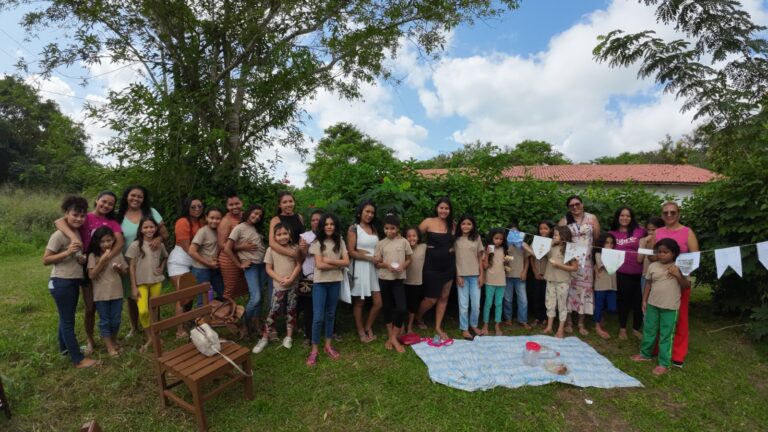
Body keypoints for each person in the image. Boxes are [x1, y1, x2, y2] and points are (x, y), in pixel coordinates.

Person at [55, 190, 124, 354]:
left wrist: (104, 259)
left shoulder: (112, 223)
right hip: (85, 263)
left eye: (110, 204)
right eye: (104, 201)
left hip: (103, 264)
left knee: (104, 304)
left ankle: (109, 338)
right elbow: (59, 221)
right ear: (97, 199)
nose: (106, 205)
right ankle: (90, 340)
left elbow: (119, 243)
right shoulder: (85, 216)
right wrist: (74, 238)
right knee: (90, 307)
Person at [44, 196, 99, 368]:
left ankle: (64, 350)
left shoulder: (76, 233)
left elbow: (73, 256)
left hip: (72, 281)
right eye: (75, 215)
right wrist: (67, 252)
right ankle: (78, 359)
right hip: (62, 282)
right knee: (68, 322)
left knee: (65, 318)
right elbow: (46, 259)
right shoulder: (58, 235)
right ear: (66, 214)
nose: (79, 219)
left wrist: (80, 259)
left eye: (82, 216)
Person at [651, 201, 699, 368]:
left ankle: (677, 353)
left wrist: (679, 270)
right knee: (657, 315)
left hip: (680, 280)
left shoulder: (687, 232)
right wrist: (662, 258)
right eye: (665, 213)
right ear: (662, 215)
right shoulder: (657, 232)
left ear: (678, 213)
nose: (669, 215)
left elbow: (695, 257)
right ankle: (657, 349)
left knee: (680, 318)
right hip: (660, 282)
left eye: (673, 212)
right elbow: (651, 256)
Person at [632, 238, 689, 376]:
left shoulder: (680, 266)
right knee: (649, 330)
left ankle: (663, 363)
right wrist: (644, 300)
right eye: (659, 252)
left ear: (674, 253)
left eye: (666, 252)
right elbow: (648, 284)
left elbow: (686, 286)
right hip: (653, 304)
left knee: (666, 335)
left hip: (670, 307)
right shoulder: (653, 266)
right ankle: (645, 354)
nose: (662, 254)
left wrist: (677, 276)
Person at [117, 185, 169, 337]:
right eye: (133, 195)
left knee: (154, 297)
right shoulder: (119, 215)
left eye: (140, 196)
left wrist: (158, 238)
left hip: (149, 262)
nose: (136, 199)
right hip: (129, 262)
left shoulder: (151, 212)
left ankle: (156, 326)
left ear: (144, 199)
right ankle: (134, 327)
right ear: (127, 196)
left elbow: (165, 234)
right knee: (132, 296)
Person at [306, 213, 350, 366]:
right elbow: (320, 265)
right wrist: (338, 263)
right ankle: (314, 349)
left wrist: (329, 260)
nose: (329, 227)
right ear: (322, 226)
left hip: (335, 282)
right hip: (320, 284)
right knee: (318, 317)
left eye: (332, 224)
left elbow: (347, 262)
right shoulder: (317, 242)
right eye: (326, 224)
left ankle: (328, 346)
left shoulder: (340, 241)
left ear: (335, 226)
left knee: (331, 314)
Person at [253, 223, 302, 354]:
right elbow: (268, 268)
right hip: (279, 286)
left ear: (290, 235)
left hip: (293, 285)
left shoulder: (295, 248)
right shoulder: (271, 250)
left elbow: (299, 265)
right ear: (274, 237)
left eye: (285, 234)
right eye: (279, 235)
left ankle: (289, 336)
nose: (282, 237)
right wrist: (280, 279)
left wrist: (291, 278)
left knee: (291, 310)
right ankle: (264, 337)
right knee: (273, 312)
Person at [558, 195, 600, 336]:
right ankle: (569, 322)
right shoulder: (565, 220)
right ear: (569, 208)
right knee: (569, 289)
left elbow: (597, 238)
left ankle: (581, 323)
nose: (575, 207)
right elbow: (559, 237)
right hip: (570, 259)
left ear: (582, 204)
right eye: (571, 205)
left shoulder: (592, 218)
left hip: (587, 262)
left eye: (577, 204)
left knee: (585, 291)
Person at [415, 197, 456, 341]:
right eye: (441, 208)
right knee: (431, 299)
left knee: (444, 297)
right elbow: (414, 237)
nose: (444, 211)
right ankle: (418, 318)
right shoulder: (428, 222)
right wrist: (423, 247)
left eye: (447, 208)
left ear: (450, 210)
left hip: (449, 265)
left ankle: (438, 326)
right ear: (437, 208)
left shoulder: (453, 225)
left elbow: (457, 243)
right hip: (431, 265)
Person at [126, 217, 168, 353]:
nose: (149, 230)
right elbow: (131, 267)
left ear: (156, 228)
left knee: (154, 309)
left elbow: (166, 257)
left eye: (151, 227)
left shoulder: (159, 244)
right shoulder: (135, 245)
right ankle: (149, 337)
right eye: (145, 227)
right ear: (141, 229)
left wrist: (162, 267)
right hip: (141, 283)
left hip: (156, 281)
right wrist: (133, 287)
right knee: (143, 311)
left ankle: (155, 336)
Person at [87, 226, 128, 357]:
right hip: (101, 295)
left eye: (109, 240)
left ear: (113, 240)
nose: (106, 244)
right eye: (102, 241)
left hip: (117, 292)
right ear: (97, 243)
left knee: (116, 319)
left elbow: (125, 272)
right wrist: (102, 261)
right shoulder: (93, 256)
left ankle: (113, 341)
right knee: (105, 321)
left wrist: (120, 269)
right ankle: (110, 347)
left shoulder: (117, 254)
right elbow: (92, 275)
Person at [268, 191, 304, 340]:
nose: (288, 204)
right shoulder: (276, 219)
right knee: (278, 295)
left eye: (291, 201)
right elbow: (272, 242)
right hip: (281, 258)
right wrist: (291, 254)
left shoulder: (299, 217)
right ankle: (273, 328)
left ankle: (293, 324)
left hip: (297, 259)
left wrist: (300, 252)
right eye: (285, 202)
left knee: (295, 294)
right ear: (280, 205)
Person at [374, 213, 412, 353]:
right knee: (387, 308)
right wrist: (386, 265)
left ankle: (394, 337)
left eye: (392, 228)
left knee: (401, 308)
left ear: (397, 228)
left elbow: (409, 259)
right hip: (384, 279)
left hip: (398, 280)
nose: (389, 231)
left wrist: (403, 265)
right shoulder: (381, 243)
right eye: (387, 228)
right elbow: (377, 263)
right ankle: (392, 337)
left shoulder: (404, 242)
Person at [226, 205, 267, 333]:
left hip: (262, 265)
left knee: (260, 297)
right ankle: (243, 323)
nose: (257, 216)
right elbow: (228, 248)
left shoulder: (257, 229)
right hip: (251, 266)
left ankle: (256, 323)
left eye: (260, 215)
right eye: (255, 213)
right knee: (256, 297)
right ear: (249, 212)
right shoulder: (239, 227)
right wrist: (239, 265)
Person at [608, 206, 647, 340]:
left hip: (640, 273)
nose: (625, 218)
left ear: (632, 218)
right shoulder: (612, 234)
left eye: (628, 216)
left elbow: (652, 240)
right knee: (624, 301)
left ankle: (636, 328)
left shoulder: (640, 231)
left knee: (639, 301)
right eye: (622, 215)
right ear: (618, 217)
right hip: (621, 272)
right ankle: (622, 328)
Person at [347, 200, 382, 343]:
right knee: (360, 302)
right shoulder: (353, 228)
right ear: (360, 212)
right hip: (360, 268)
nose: (369, 214)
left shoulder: (374, 228)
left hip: (373, 269)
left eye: (372, 212)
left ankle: (368, 326)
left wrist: (377, 256)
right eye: (367, 211)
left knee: (378, 302)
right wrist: (369, 257)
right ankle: (361, 331)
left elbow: (377, 247)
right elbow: (351, 252)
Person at [542, 226, 579, 339]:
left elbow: (575, 268)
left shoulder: (570, 250)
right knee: (550, 303)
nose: (553, 236)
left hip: (562, 281)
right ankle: (549, 327)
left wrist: (559, 265)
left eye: (556, 235)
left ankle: (560, 329)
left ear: (563, 237)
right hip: (550, 279)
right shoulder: (552, 248)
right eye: (553, 235)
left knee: (562, 305)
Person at [454, 213, 484, 339]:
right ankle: (464, 328)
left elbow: (480, 257)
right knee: (464, 305)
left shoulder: (476, 238)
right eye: (463, 224)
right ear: (460, 225)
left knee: (476, 305)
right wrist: (458, 275)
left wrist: (482, 275)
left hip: (475, 276)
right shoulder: (455, 239)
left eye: (469, 224)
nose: (466, 226)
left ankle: (473, 325)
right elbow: (454, 259)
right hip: (462, 276)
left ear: (473, 226)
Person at [188, 207, 225, 304]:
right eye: (212, 218)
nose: (214, 221)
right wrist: (209, 263)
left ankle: (218, 315)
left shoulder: (220, 231)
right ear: (206, 218)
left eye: (218, 218)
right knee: (204, 299)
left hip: (215, 269)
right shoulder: (203, 232)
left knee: (224, 293)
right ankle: (201, 318)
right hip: (201, 270)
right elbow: (192, 251)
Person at [298, 210, 323, 347]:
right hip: (309, 276)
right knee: (309, 308)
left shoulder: (329, 235)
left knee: (329, 305)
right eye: (313, 220)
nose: (315, 222)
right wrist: (303, 249)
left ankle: (332, 331)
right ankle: (308, 335)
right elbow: (302, 256)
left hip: (326, 275)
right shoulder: (304, 236)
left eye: (318, 219)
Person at [217, 191, 248, 300]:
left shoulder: (245, 216)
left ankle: (236, 311)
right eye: (231, 205)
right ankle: (225, 314)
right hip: (228, 259)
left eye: (237, 203)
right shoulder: (226, 221)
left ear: (242, 203)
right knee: (230, 289)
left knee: (244, 286)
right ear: (226, 206)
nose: (234, 207)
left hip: (243, 257)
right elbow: (221, 244)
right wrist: (242, 247)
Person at [167, 197, 204, 283]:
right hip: (180, 263)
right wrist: (206, 261)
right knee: (186, 293)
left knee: (201, 290)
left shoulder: (202, 221)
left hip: (195, 260)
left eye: (200, 206)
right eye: (193, 207)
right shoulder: (182, 222)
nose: (197, 209)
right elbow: (187, 248)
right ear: (187, 208)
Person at [503, 221, 530, 329]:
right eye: (511, 232)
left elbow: (527, 260)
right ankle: (508, 319)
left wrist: (525, 272)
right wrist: (506, 257)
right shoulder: (505, 245)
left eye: (516, 231)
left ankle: (522, 320)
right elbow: (502, 261)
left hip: (520, 275)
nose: (514, 233)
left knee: (523, 299)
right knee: (508, 299)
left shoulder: (523, 245)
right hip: (507, 276)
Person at [482, 228, 507, 336]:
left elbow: (506, 267)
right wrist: (487, 254)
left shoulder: (504, 250)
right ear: (491, 238)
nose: (498, 241)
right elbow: (485, 266)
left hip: (501, 281)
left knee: (499, 304)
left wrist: (507, 262)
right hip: (490, 281)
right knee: (488, 303)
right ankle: (485, 325)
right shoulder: (487, 249)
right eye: (496, 238)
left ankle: (497, 325)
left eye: (501, 239)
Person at [528, 221, 553, 327]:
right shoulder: (535, 242)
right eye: (541, 228)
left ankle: (546, 318)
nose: (543, 230)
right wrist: (535, 272)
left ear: (550, 230)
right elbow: (531, 258)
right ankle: (538, 317)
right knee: (537, 296)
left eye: (546, 228)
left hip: (549, 274)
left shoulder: (553, 242)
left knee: (547, 297)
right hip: (537, 274)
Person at [593, 233, 618, 339]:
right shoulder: (598, 254)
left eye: (611, 243)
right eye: (607, 243)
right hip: (601, 285)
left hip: (612, 285)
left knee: (612, 308)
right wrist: (609, 253)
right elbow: (604, 266)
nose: (609, 245)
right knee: (598, 305)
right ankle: (597, 325)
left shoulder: (616, 254)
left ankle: (601, 317)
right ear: (602, 244)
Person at [403, 227, 426, 334]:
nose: (411, 238)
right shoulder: (402, 247)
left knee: (413, 306)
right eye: (408, 236)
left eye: (414, 236)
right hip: (403, 282)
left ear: (418, 237)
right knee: (402, 305)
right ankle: (401, 326)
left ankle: (410, 327)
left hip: (417, 282)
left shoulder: (424, 247)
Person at [637, 217, 664, 294]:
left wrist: (653, 242)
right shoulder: (643, 240)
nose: (651, 232)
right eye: (648, 230)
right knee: (645, 299)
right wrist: (644, 243)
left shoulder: (663, 241)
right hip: (645, 275)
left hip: (659, 275)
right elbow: (639, 259)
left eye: (653, 230)